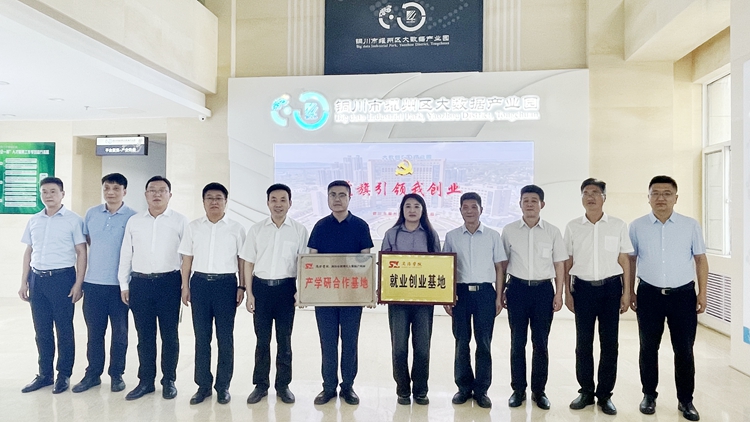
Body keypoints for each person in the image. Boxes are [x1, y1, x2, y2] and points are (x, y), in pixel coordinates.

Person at [628, 175, 707, 422]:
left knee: (684, 349)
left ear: (676, 197)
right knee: (648, 348)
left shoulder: (690, 225)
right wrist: (628, 291)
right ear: (648, 197)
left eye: (667, 193)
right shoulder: (637, 226)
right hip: (649, 294)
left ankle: (686, 400)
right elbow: (630, 260)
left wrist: (703, 292)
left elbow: (700, 260)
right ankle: (648, 395)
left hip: (683, 296)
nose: (661, 198)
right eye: (655, 193)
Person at [563, 178, 633, 415]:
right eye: (586, 192)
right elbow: (568, 261)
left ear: (604, 197)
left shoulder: (618, 225)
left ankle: (604, 394)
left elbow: (624, 260)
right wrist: (567, 293)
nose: (590, 196)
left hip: (610, 289)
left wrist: (626, 292)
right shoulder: (573, 226)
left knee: (609, 343)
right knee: (583, 343)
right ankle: (585, 391)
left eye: (595, 192)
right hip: (582, 290)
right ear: (581, 197)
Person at [118, 175, 188, 401]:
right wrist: (123, 284)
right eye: (152, 190)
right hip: (140, 284)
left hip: (169, 283)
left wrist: (185, 285)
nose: (157, 194)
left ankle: (169, 381)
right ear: (146, 194)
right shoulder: (135, 221)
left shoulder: (180, 221)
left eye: (162, 190)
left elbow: (187, 257)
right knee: (144, 336)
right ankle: (146, 381)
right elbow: (126, 253)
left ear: (170, 194)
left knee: (170, 335)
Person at [307, 180, 374, 406]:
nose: (337, 199)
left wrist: (367, 293)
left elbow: (366, 260)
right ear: (327, 198)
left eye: (342, 195)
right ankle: (328, 387)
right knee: (327, 342)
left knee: (350, 342)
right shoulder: (320, 226)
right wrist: (308, 292)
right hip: (325, 296)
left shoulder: (361, 226)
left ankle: (348, 387)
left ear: (350, 198)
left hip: (352, 296)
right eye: (333, 195)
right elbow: (312, 261)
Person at [18, 177, 87, 394]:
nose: (48, 195)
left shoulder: (73, 220)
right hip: (37, 280)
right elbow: (29, 251)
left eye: (53, 191)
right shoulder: (34, 220)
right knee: (42, 330)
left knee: (64, 330)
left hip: (62, 279)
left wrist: (78, 283)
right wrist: (24, 281)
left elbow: (81, 252)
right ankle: (44, 374)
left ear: (62, 194)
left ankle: (63, 375)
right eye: (44, 192)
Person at [179, 182, 246, 405]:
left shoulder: (236, 228)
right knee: (202, 337)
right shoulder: (193, 227)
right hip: (199, 284)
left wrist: (242, 287)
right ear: (203, 201)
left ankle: (223, 386)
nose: (214, 202)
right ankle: (203, 386)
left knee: (225, 338)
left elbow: (242, 260)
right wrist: (185, 286)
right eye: (210, 198)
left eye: (219, 198)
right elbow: (187, 259)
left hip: (226, 285)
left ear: (226, 202)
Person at [501, 184, 566, 410]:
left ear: (542, 204)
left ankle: (539, 391)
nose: (529, 204)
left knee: (541, 343)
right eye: (525, 201)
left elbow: (559, 265)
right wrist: (501, 291)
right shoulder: (509, 230)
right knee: (517, 342)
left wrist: (559, 293)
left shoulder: (552, 232)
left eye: (534, 201)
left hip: (543, 292)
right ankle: (518, 390)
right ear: (520, 204)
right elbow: (503, 264)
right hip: (517, 289)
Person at [242, 183, 308, 405]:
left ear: (290, 203)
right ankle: (261, 385)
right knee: (262, 340)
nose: (278, 204)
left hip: (286, 289)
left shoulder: (299, 230)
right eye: (274, 200)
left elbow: (304, 264)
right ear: (267, 202)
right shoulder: (257, 230)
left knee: (284, 340)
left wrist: (301, 291)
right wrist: (250, 294)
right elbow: (248, 263)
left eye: (283, 200)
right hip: (261, 289)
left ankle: (283, 386)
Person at [72, 173, 137, 394]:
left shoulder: (133, 217)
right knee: (94, 333)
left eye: (116, 188)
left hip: (120, 286)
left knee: (120, 333)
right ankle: (92, 374)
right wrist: (80, 282)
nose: (111, 192)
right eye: (107, 188)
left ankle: (117, 374)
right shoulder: (91, 213)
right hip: (93, 284)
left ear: (124, 191)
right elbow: (88, 243)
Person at [442, 192, 505, 409]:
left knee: (484, 342)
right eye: (465, 207)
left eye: (474, 207)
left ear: (481, 210)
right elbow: (446, 268)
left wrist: (499, 296)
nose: (469, 211)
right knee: (461, 342)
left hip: (485, 293)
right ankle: (463, 387)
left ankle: (482, 390)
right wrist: (447, 296)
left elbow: (500, 267)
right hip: (460, 294)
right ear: (460, 210)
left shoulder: (493, 235)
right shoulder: (452, 236)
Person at [381, 194, 441, 406]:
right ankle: (403, 390)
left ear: (423, 210)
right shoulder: (392, 234)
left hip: (424, 302)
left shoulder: (431, 235)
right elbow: (384, 266)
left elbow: (440, 265)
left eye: (417, 206)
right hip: (398, 301)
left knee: (422, 348)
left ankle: (421, 390)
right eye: (408, 206)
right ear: (402, 210)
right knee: (399, 348)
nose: (412, 210)